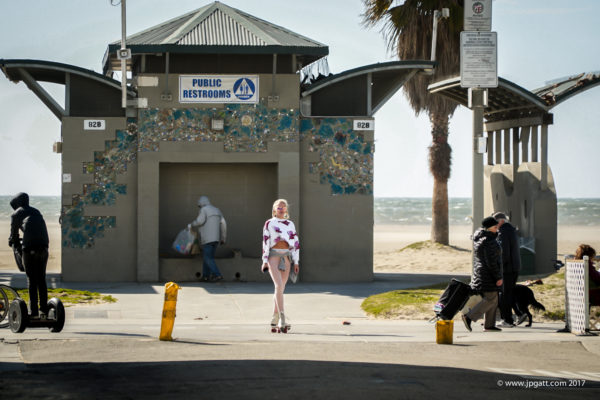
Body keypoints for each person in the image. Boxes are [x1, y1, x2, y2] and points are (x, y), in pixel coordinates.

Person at [8, 192, 50, 318]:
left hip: (29, 248)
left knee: (32, 280)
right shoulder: (36, 211)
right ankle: (44, 310)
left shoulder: (16, 214)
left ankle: (34, 312)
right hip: (43, 247)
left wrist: (13, 243)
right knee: (41, 279)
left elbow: (13, 236)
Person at [261, 199, 300, 332]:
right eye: (279, 207)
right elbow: (265, 242)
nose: (281, 208)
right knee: (278, 285)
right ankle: (282, 318)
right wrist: (265, 260)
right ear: (274, 209)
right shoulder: (269, 223)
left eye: (283, 207)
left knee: (280, 289)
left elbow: (295, 244)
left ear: (286, 210)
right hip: (273, 256)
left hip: (287, 257)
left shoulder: (290, 224)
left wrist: (296, 261)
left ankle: (274, 317)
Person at [462, 216, 504, 332]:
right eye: (495, 227)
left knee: (494, 299)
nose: (497, 228)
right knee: (491, 299)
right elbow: (490, 262)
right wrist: (498, 277)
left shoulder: (483, 238)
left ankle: (489, 325)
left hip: (483, 273)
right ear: (489, 228)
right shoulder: (487, 240)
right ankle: (469, 317)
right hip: (487, 274)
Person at [493, 212, 522, 327]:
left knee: (505, 295)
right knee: (508, 293)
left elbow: (504, 252)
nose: (495, 225)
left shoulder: (504, 232)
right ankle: (515, 316)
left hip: (507, 268)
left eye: (495, 222)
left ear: (501, 221)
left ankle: (507, 320)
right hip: (514, 267)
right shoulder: (511, 230)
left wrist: (499, 267)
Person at [189, 196, 226, 282]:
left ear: (202, 203)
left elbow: (200, 221)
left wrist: (191, 224)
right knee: (208, 257)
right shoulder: (217, 210)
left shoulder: (204, 210)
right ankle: (205, 276)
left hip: (207, 239)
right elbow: (224, 224)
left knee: (207, 258)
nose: (200, 207)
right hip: (216, 239)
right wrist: (223, 238)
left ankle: (218, 275)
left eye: (199, 205)